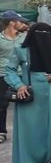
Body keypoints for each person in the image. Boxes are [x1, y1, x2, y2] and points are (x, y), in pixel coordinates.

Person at [4, 23, 51, 163]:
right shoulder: (20, 50)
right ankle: (33, 157)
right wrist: (19, 86)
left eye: (46, 33)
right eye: (38, 33)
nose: (42, 37)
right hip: (30, 92)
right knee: (32, 126)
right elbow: (9, 71)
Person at [0, 10, 30, 145]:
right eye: (20, 21)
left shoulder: (25, 37)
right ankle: (1, 132)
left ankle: (27, 131)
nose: (22, 23)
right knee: (1, 105)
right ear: (12, 22)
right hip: (3, 75)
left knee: (27, 102)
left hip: (22, 74)